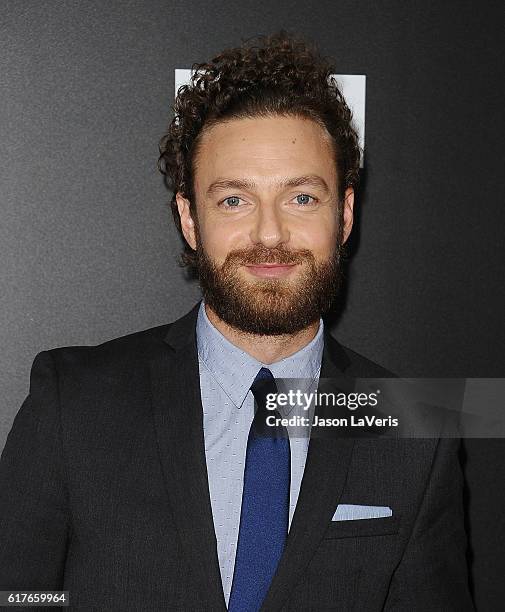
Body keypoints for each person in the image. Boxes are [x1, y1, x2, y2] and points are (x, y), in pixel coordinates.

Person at [0, 32, 474, 611]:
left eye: (301, 198)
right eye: (234, 200)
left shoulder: (417, 422)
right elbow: (16, 595)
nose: (270, 235)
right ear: (190, 220)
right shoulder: (72, 398)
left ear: (344, 214)